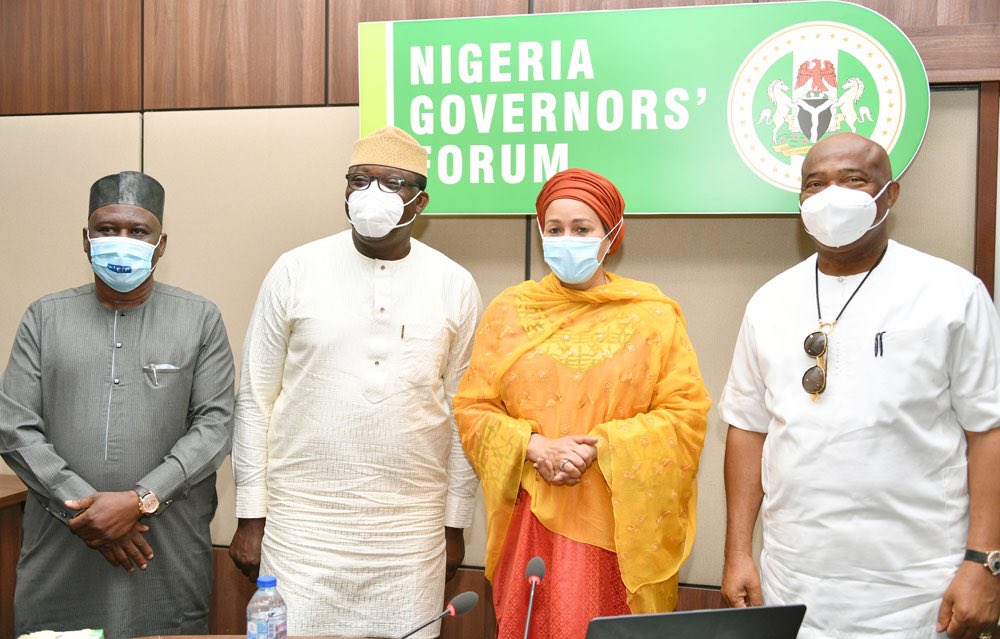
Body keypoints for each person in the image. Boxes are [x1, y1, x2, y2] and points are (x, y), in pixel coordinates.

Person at [719, 132, 1000, 639]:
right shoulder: (769, 302)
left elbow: (989, 432)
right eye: (816, 184)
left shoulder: (951, 294)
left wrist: (984, 561)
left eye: (853, 180)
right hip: (792, 581)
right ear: (801, 202)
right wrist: (738, 551)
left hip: (917, 589)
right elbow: (747, 429)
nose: (833, 195)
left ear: (889, 194)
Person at [229, 126, 482, 638]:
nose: (373, 194)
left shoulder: (454, 283)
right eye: (360, 180)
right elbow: (256, 399)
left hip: (410, 532)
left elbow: (464, 414)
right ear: (344, 191)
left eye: (393, 183)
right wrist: (250, 517)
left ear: (421, 200)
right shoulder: (294, 270)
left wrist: (455, 524)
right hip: (302, 526)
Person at [454, 168, 711, 639]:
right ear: (540, 233)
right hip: (529, 521)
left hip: (618, 530)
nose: (566, 239)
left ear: (611, 236)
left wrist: (600, 447)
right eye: (555, 229)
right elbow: (473, 407)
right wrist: (534, 447)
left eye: (582, 229)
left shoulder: (652, 315)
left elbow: (686, 414)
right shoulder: (509, 311)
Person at [0, 171, 235, 637]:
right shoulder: (44, 317)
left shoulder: (200, 318)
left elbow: (215, 427)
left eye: (137, 231)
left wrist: (140, 500)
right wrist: (83, 511)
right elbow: (14, 425)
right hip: (61, 546)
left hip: (163, 548)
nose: (121, 240)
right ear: (86, 240)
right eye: (107, 230)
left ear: (161, 243)